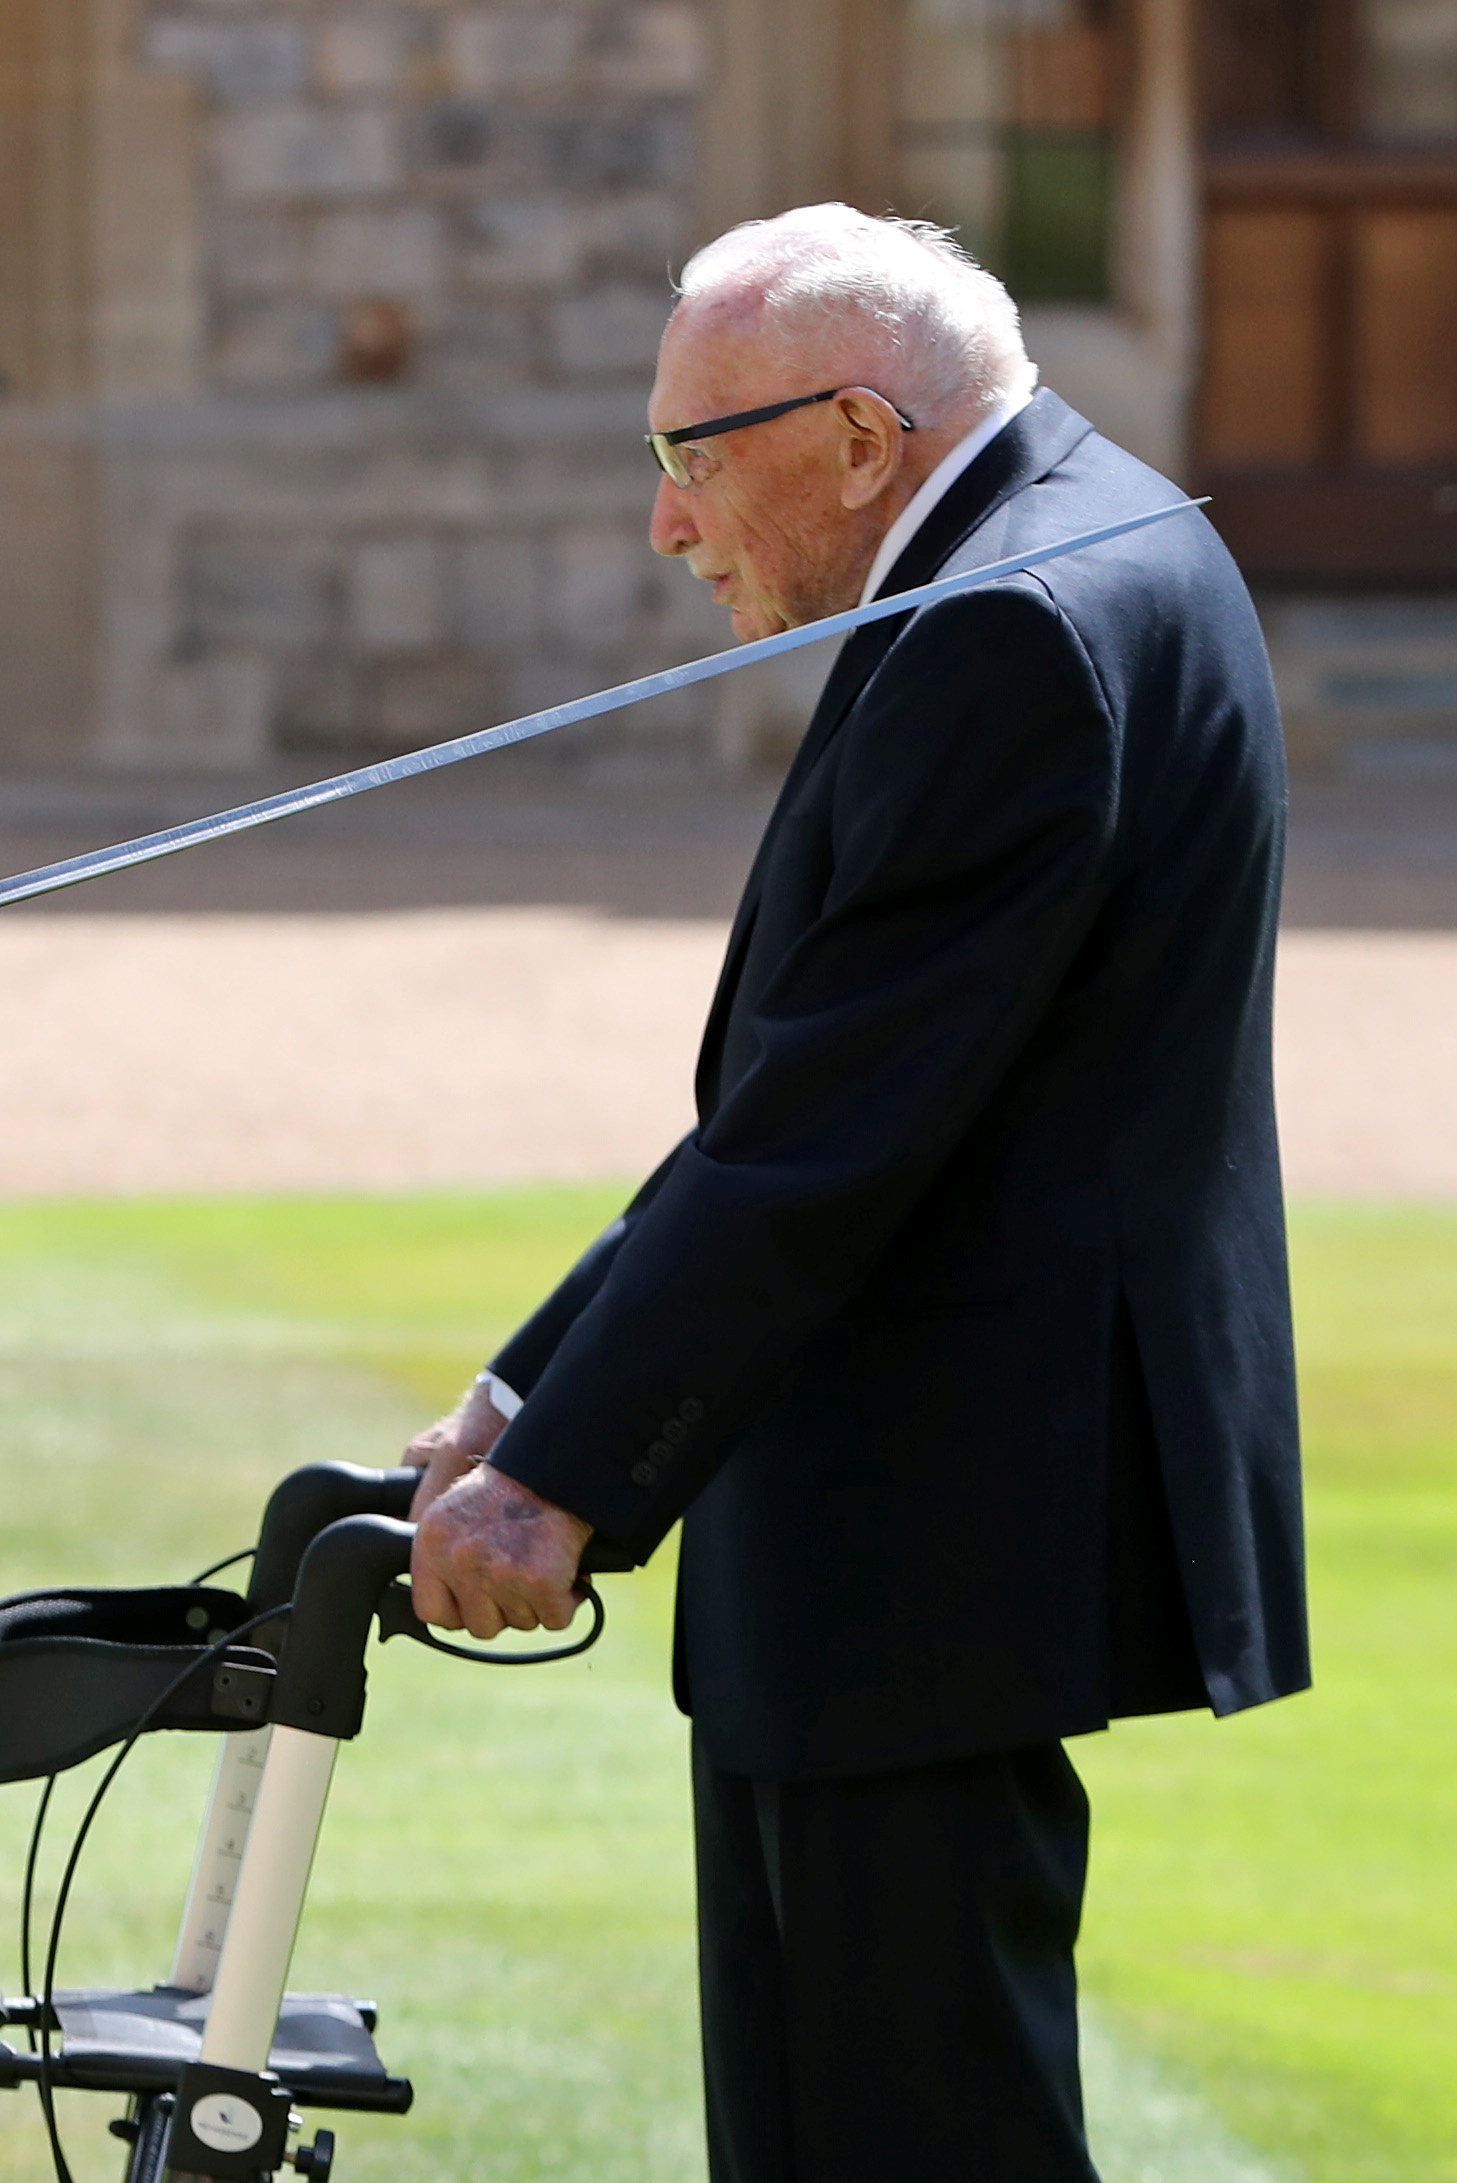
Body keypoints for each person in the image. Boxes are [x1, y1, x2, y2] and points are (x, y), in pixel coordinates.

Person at [400, 207, 1308, 2180]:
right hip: (919, 1498)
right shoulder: (1080, 532)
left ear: (855, 437)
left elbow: (831, 1136)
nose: (666, 526)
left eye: (685, 458)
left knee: (906, 2129)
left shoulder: (1006, 619)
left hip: (930, 1505)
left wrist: (555, 1480)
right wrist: (523, 1388)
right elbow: (813, 1088)